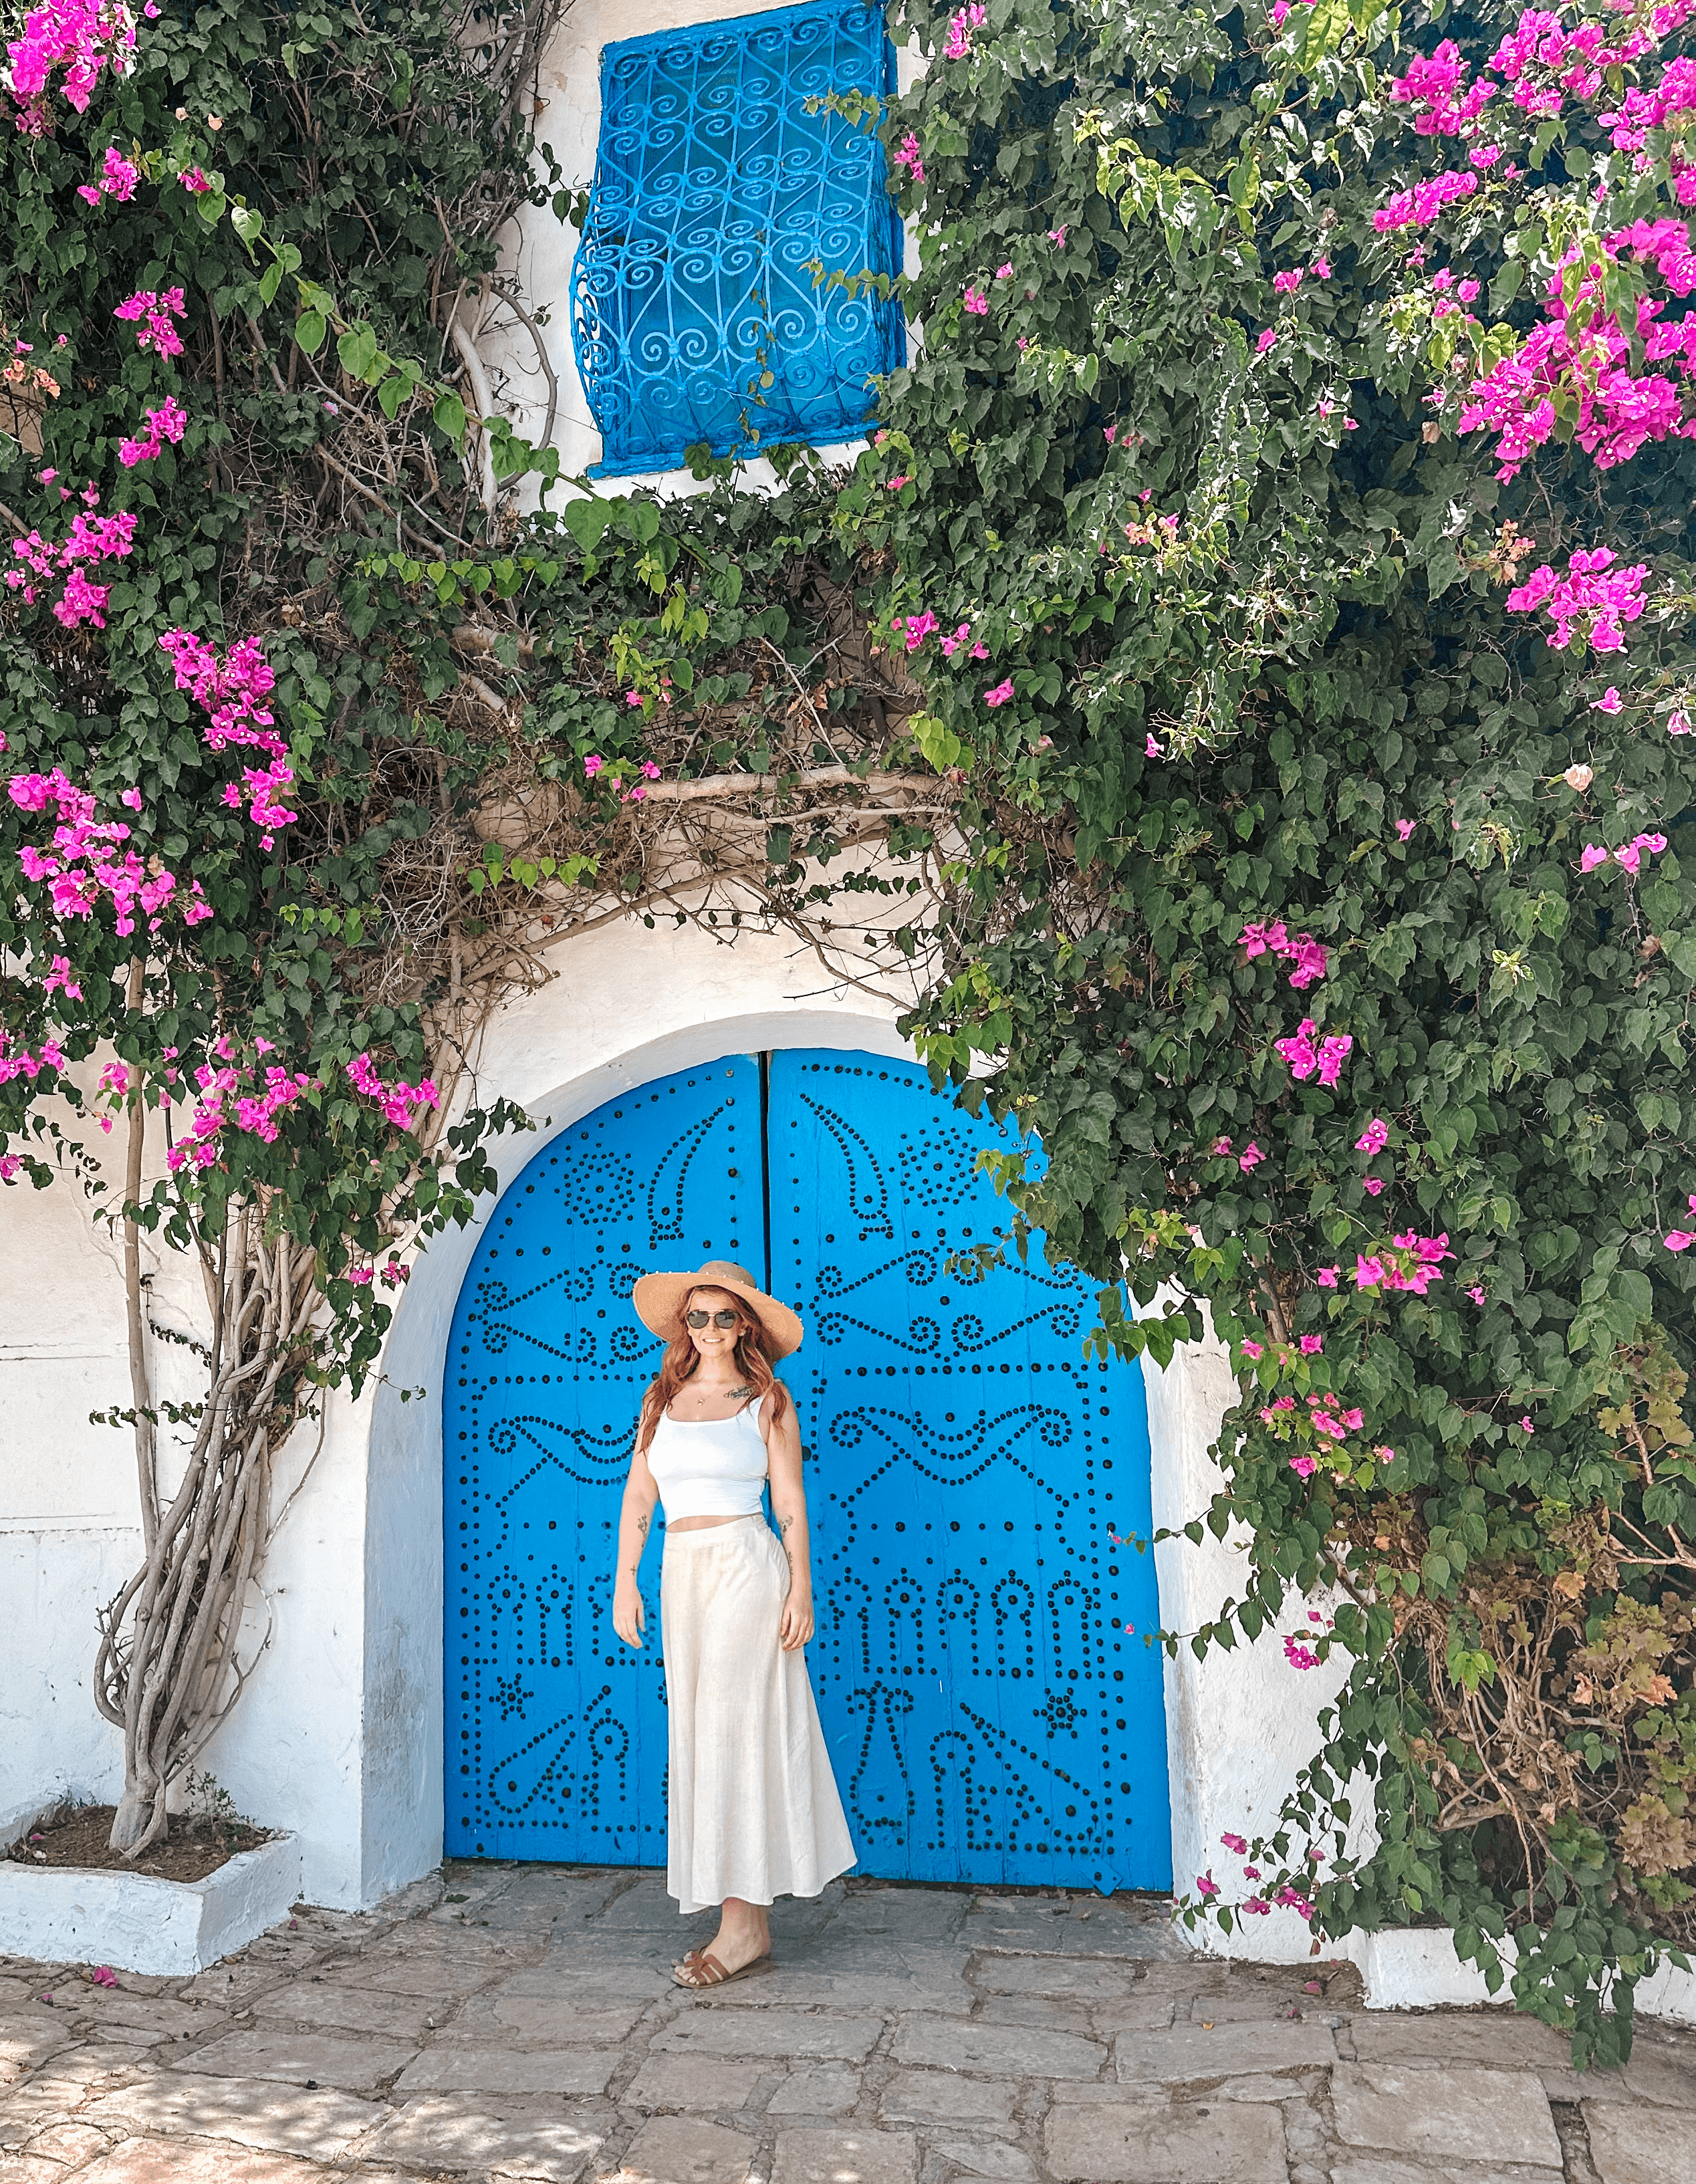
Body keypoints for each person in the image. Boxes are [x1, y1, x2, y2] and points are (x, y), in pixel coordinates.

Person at [613, 1258, 856, 1988]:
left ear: (744, 1324)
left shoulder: (767, 1402)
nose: (710, 1329)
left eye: (724, 1316)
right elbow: (636, 1499)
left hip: (747, 1569)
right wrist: (624, 1581)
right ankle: (741, 1914)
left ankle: (743, 1924)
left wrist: (802, 1586)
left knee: (736, 1733)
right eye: (698, 1317)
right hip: (681, 1571)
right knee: (700, 1734)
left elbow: (790, 1501)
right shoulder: (660, 1400)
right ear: (682, 1326)